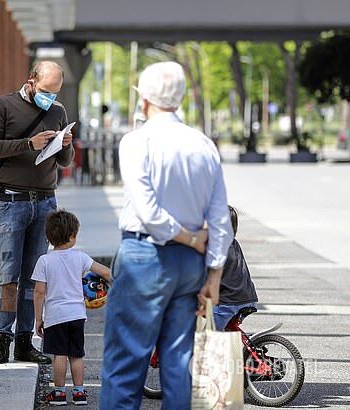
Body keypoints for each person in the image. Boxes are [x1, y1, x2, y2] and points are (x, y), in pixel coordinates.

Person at [100, 62, 233, 409]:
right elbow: (220, 218)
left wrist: (188, 238)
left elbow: (148, 213)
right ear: (181, 97)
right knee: (179, 365)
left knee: (125, 364)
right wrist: (215, 274)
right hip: (192, 266)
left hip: (146, 255)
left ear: (143, 100)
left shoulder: (136, 142)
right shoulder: (203, 144)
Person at [0, 61, 75, 365]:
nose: (50, 98)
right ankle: (1, 340)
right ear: (31, 81)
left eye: (55, 92)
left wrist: (66, 146)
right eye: (46, 91)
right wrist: (28, 143)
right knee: (8, 274)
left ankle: (25, 341)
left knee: (33, 277)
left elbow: (63, 162)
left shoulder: (58, 111)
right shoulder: (5, 105)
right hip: (10, 201)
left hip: (45, 200)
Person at [32, 210, 111, 406]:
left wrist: (38, 318)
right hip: (77, 315)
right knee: (76, 354)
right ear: (72, 236)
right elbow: (106, 272)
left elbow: (39, 293)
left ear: (49, 237)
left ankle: (59, 393)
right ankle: (79, 392)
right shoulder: (80, 257)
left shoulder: (44, 261)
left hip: (55, 316)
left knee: (59, 355)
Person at [213, 205, 258, 330]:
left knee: (208, 338)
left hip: (228, 301)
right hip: (247, 297)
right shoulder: (233, 242)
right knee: (227, 330)